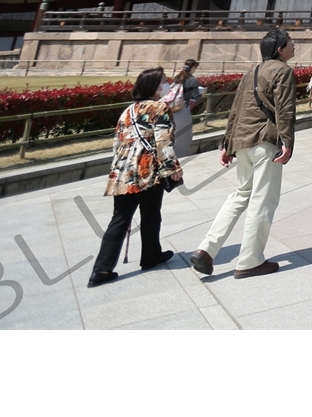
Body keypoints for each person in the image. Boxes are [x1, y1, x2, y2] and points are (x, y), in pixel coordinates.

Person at [188, 28, 297, 279]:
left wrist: (227, 144)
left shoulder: (251, 72)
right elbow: (285, 110)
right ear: (279, 49)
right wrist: (288, 142)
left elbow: (235, 109)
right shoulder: (283, 71)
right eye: (290, 42)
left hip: (243, 142)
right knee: (263, 200)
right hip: (265, 141)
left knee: (240, 195)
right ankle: (250, 260)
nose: (294, 45)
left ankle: (207, 249)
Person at [86, 67, 183, 287]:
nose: (166, 84)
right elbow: (162, 141)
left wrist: (117, 168)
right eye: (163, 81)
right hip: (146, 170)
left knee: (119, 220)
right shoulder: (160, 108)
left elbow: (117, 142)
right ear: (154, 86)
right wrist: (173, 167)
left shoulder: (128, 110)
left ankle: (101, 269)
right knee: (150, 216)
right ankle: (150, 257)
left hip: (123, 170)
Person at [161, 58, 202, 158]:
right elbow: (196, 96)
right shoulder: (193, 80)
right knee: (183, 138)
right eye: (195, 67)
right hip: (183, 110)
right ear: (192, 67)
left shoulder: (178, 77)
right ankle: (177, 160)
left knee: (170, 136)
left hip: (170, 109)